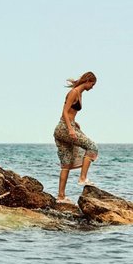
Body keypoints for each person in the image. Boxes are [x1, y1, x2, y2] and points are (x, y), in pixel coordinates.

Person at [54, 71, 99, 201]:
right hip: (64, 128)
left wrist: (74, 123)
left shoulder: (79, 93)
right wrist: (70, 128)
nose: (92, 87)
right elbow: (64, 112)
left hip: (65, 127)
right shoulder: (74, 92)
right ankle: (82, 178)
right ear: (88, 81)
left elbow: (70, 113)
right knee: (92, 147)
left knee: (66, 165)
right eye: (92, 84)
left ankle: (61, 197)